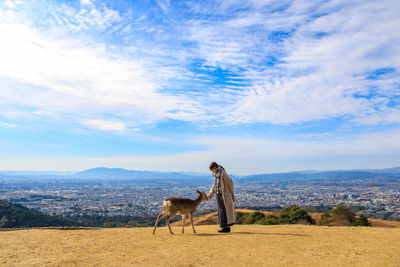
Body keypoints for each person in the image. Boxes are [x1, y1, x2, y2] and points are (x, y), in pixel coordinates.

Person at [207, 162, 236, 233]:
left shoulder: (223, 174)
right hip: (219, 194)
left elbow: (230, 183)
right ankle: (225, 227)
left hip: (225, 195)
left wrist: (231, 194)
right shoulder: (217, 175)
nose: (212, 171)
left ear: (215, 168)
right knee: (222, 211)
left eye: (212, 170)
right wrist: (210, 194)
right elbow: (214, 186)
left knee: (223, 211)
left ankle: (225, 227)